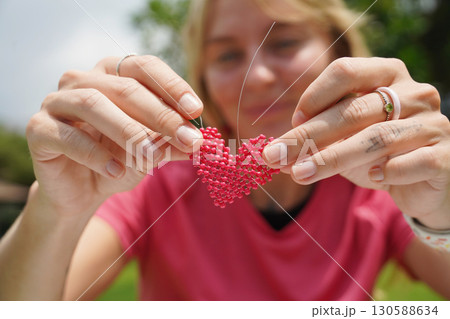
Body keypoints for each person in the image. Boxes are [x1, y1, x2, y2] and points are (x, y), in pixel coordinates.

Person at [1, 0, 449, 301]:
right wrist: (57, 209)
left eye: (285, 43)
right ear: (204, 82)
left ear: (343, 52)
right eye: (228, 56)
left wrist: (441, 212)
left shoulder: (382, 180)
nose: (257, 78)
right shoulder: (148, 177)